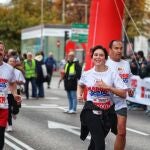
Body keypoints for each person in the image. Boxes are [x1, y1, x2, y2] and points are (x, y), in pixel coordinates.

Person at [78, 45, 127, 150]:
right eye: (95, 55)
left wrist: (108, 87)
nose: (98, 57)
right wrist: (79, 94)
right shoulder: (87, 74)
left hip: (107, 113)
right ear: (92, 57)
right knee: (100, 145)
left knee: (94, 145)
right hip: (91, 111)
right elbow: (81, 84)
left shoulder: (112, 74)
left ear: (105, 58)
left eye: (101, 55)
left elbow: (123, 93)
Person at [106, 40, 133, 150]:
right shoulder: (105, 63)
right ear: (110, 49)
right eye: (116, 48)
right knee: (100, 133)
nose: (119, 51)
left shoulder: (126, 64)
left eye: (121, 48)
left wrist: (130, 88)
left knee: (121, 133)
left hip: (120, 103)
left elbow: (129, 78)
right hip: (105, 102)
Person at [0, 41, 21, 149]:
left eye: (1, 49)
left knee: (0, 137)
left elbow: (12, 83)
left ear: (4, 53)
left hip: (3, 108)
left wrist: (14, 94)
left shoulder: (9, 69)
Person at [6, 57, 25, 132]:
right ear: (8, 62)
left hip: (16, 91)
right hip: (6, 92)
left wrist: (19, 82)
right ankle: (10, 125)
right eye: (10, 61)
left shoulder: (18, 72)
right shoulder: (4, 71)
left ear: (15, 63)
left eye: (13, 61)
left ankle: (14, 113)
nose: (11, 62)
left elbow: (23, 81)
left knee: (16, 109)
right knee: (7, 109)